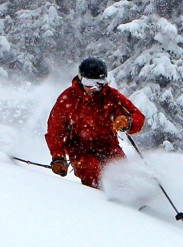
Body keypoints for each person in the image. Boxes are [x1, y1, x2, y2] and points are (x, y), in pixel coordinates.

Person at [45, 57, 145, 189]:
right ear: (80, 79)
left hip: (108, 146)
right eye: (88, 82)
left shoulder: (111, 97)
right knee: (92, 170)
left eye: (98, 83)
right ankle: (101, 202)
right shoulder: (69, 98)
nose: (93, 88)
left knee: (122, 172)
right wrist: (58, 157)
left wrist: (128, 121)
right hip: (79, 149)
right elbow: (55, 131)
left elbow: (137, 116)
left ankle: (133, 202)